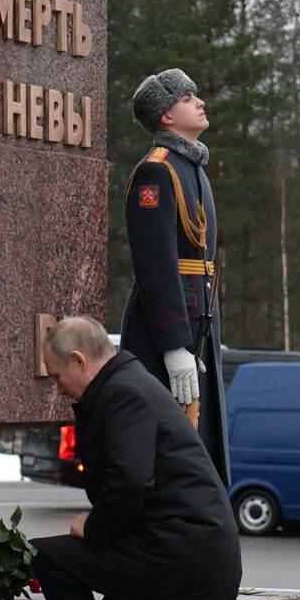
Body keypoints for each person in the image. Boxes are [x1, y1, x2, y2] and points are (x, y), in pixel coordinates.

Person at [32, 317, 273, 600]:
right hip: (187, 544)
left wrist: (94, 529)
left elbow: (130, 479)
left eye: (56, 377)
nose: (59, 389)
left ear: (79, 361)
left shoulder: (122, 392)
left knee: (49, 559)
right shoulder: (127, 383)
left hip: (181, 549)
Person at [120, 68, 229, 485]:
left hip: (199, 321)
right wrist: (174, 345)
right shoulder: (157, 171)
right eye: (187, 98)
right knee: (166, 454)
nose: (200, 103)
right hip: (167, 330)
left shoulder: (192, 169)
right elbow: (155, 264)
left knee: (198, 446)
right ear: (166, 115)